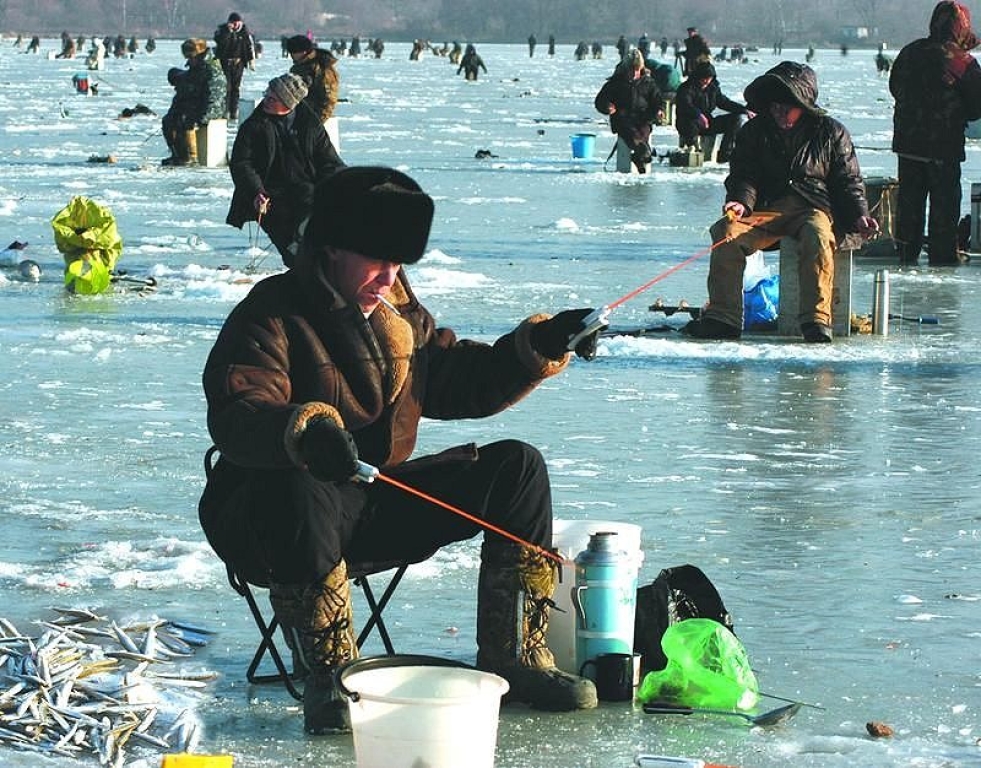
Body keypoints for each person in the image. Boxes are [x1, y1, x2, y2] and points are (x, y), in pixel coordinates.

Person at [199, 165, 603, 734]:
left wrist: (540, 344)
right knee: (299, 483)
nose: (389, 276)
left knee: (517, 468)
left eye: (397, 262)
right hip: (274, 520)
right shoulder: (272, 312)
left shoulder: (400, 316)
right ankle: (333, 678)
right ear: (332, 248)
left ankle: (516, 659)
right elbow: (242, 410)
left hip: (371, 501)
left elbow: (459, 379)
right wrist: (305, 432)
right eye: (375, 259)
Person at [681, 61, 879, 343]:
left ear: (804, 105)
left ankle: (816, 320)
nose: (781, 113)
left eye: (788, 107)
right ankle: (723, 318)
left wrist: (859, 215)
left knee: (819, 237)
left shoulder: (832, 132)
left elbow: (849, 182)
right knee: (725, 234)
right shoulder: (753, 131)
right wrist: (739, 202)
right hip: (765, 210)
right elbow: (743, 175)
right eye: (775, 107)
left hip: (813, 208)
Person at [889, 1, 981, 266]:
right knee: (944, 207)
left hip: (908, 146)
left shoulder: (909, 52)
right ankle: (943, 258)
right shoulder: (963, 62)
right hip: (943, 149)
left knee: (909, 205)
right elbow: (976, 107)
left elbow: (895, 87)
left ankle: (906, 255)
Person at [225, 74, 345, 266]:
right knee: (290, 245)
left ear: (288, 103)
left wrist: (337, 187)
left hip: (307, 190)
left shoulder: (310, 125)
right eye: (266, 94)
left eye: (272, 98)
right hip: (269, 194)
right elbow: (242, 163)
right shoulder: (253, 126)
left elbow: (329, 161)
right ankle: (300, 267)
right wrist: (257, 192)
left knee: (320, 222)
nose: (266, 100)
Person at [594, 49, 665, 173]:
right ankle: (643, 155)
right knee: (633, 136)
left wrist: (659, 110)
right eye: (631, 70)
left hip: (643, 119)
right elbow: (600, 100)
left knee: (643, 133)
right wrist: (607, 107)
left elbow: (658, 101)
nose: (633, 73)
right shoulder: (615, 83)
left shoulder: (648, 83)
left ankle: (641, 157)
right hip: (622, 120)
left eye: (636, 70)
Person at [160, 39, 226, 167]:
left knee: (186, 121)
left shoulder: (212, 69)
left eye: (190, 56)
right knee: (169, 120)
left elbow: (216, 97)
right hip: (196, 106)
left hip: (210, 108)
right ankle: (178, 155)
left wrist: (204, 117)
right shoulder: (196, 67)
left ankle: (191, 156)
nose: (189, 60)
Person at [674, 60, 751, 162]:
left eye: (709, 78)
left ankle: (725, 154)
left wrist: (744, 110)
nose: (706, 81)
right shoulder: (686, 88)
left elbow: (724, 102)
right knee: (690, 123)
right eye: (704, 78)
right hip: (688, 122)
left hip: (707, 122)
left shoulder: (713, 88)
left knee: (736, 119)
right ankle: (693, 151)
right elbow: (685, 105)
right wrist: (698, 115)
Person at [287, 34, 340, 123]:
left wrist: (318, 122)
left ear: (303, 52)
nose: (291, 55)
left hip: (313, 116)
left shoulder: (321, 67)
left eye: (293, 52)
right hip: (298, 115)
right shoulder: (299, 67)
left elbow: (329, 98)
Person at [213, 11, 255, 121]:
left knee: (236, 88)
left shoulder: (244, 32)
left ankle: (233, 110)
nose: (236, 25)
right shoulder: (222, 31)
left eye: (237, 23)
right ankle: (225, 110)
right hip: (225, 62)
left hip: (238, 63)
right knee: (227, 87)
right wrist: (228, 31)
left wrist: (251, 60)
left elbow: (248, 47)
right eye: (233, 23)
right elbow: (220, 42)